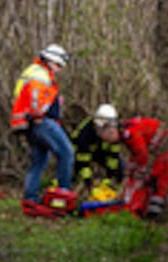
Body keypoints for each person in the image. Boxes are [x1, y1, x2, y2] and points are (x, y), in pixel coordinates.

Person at [10, 43, 74, 212]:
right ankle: (63, 196)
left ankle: (30, 198)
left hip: (29, 124)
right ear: (51, 60)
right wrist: (39, 114)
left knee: (39, 160)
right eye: (59, 65)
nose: (59, 69)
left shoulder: (32, 71)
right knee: (66, 153)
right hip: (42, 122)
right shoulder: (40, 74)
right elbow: (35, 100)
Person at [94, 111, 168, 219]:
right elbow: (134, 155)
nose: (107, 143)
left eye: (107, 139)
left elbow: (142, 154)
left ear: (111, 132)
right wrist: (127, 174)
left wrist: (139, 177)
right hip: (156, 146)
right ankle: (137, 209)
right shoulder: (125, 133)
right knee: (146, 178)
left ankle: (152, 215)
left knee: (158, 178)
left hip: (164, 145)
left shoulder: (129, 133)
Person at [71, 103, 124, 196]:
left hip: (101, 150)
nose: (110, 130)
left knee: (121, 167)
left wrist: (109, 178)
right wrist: (89, 182)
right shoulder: (83, 135)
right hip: (81, 152)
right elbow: (83, 163)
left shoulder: (115, 131)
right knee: (75, 171)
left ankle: (119, 193)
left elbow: (113, 156)